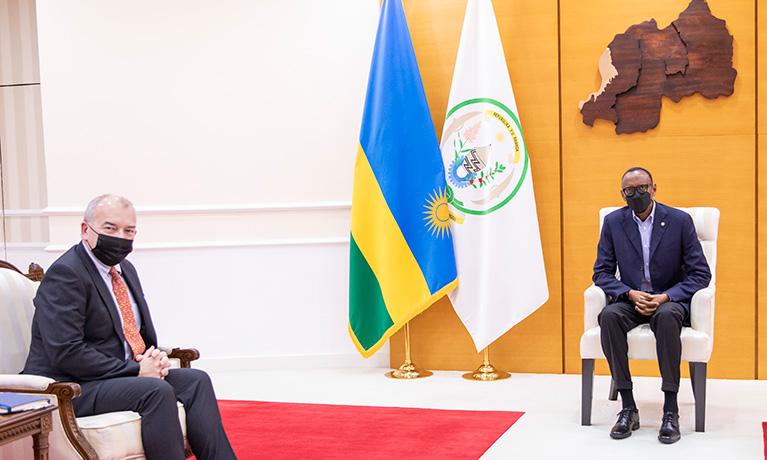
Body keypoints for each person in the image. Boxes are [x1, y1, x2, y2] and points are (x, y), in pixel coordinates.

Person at [23, 194, 237, 460]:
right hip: (70, 386)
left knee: (196, 380)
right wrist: (137, 370)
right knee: (155, 391)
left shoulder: (125, 269)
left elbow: (132, 332)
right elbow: (67, 352)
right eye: (110, 228)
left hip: (113, 377)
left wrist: (152, 358)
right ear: (85, 230)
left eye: (129, 231)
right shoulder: (66, 274)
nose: (120, 237)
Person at [593, 167, 711, 444]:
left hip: (669, 300)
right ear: (622, 194)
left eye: (642, 188)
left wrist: (667, 296)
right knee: (608, 316)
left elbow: (701, 274)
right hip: (633, 299)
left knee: (668, 316)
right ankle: (628, 407)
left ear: (654, 188)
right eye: (630, 191)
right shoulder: (613, 222)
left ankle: (670, 409)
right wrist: (629, 293)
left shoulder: (679, 221)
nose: (637, 194)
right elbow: (602, 273)